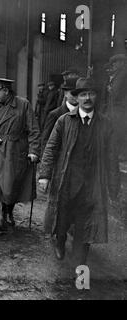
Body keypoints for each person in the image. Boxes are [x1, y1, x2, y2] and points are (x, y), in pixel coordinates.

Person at [39, 78, 120, 265]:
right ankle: (59, 240)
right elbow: (51, 148)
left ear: (97, 96)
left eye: (91, 94)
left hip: (91, 185)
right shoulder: (64, 121)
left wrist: (113, 187)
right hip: (67, 180)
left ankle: (80, 270)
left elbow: (111, 157)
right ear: (76, 98)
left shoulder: (105, 124)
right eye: (83, 94)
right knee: (63, 217)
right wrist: (44, 175)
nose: (87, 98)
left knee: (86, 226)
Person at [0, 77, 40, 232]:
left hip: (16, 151)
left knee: (12, 184)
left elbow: (33, 130)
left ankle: (8, 212)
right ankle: (0, 217)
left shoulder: (23, 105)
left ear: (6, 91)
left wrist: (34, 151)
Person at [41, 77, 79, 151]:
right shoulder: (55, 114)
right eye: (73, 93)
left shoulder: (85, 114)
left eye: (78, 94)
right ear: (66, 94)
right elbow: (46, 141)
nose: (76, 97)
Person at [101, 53, 127, 160]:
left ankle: (122, 154)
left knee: (119, 130)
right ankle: (119, 154)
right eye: (113, 63)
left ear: (122, 63)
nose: (114, 65)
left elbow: (116, 92)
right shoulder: (118, 74)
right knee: (116, 130)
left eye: (116, 63)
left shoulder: (123, 74)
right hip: (115, 108)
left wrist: (110, 90)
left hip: (120, 108)